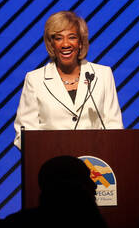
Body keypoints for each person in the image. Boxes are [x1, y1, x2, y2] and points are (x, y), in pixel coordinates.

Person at [13, 11, 123, 149]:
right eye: (58, 38)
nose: (65, 44)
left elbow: (114, 126)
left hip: (94, 163)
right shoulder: (35, 80)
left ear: (81, 43)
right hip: (52, 163)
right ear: (51, 44)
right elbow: (24, 134)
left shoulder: (102, 75)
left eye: (72, 37)